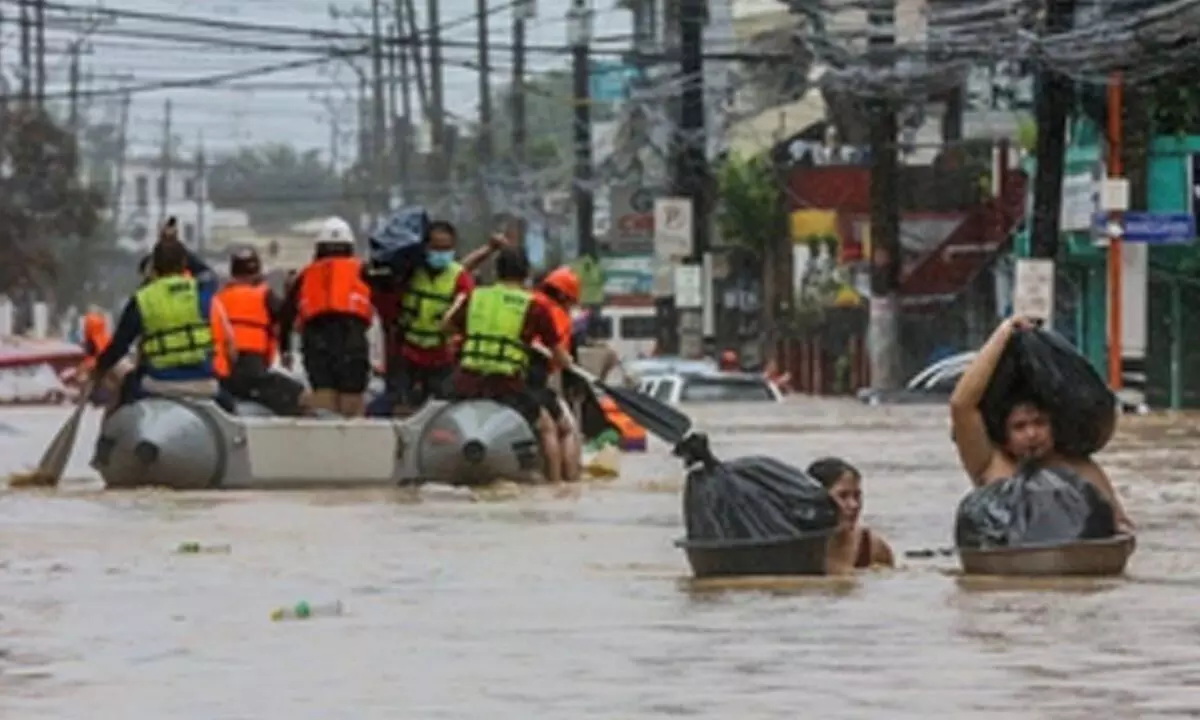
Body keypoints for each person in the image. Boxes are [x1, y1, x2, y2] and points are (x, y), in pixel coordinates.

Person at [949, 315, 1135, 533]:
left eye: (1040, 423)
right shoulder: (989, 462)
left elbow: (1121, 525)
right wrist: (1005, 332)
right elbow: (961, 405)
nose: (1032, 434)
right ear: (1003, 435)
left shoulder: (1080, 468)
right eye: (1019, 427)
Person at [443, 246, 573, 484]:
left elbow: (447, 327)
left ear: (496, 271)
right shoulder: (534, 306)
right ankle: (557, 486)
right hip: (505, 386)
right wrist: (567, 362)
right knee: (549, 427)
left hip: (465, 383)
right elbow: (559, 355)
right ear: (526, 274)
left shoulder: (476, 296)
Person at [372, 222, 511, 414]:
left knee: (442, 410)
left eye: (447, 249)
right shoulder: (411, 271)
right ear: (425, 247)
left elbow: (467, 308)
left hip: (440, 357)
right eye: (436, 248)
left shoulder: (458, 277)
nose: (441, 254)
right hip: (407, 354)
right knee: (400, 405)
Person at [91, 235, 236, 412]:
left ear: (154, 267)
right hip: (203, 381)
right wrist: (175, 240)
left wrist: (98, 370)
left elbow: (119, 346)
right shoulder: (200, 290)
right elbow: (206, 272)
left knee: (123, 394)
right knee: (231, 406)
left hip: (157, 382)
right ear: (184, 264)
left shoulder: (142, 298)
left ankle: (108, 439)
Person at [278, 216, 374, 417]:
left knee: (323, 399)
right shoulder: (363, 271)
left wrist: (284, 350)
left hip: (317, 339)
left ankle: (326, 437)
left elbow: (286, 315)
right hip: (352, 338)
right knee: (352, 400)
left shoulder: (305, 275)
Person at [213, 247, 308, 416]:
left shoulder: (218, 299)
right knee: (297, 393)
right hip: (252, 370)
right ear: (257, 272)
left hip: (222, 375)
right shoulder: (265, 296)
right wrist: (292, 292)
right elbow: (291, 320)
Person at [529, 266, 583, 483]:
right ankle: (562, 481)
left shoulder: (527, 300)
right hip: (533, 379)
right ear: (563, 295)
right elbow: (560, 359)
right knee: (564, 429)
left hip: (497, 373)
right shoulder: (558, 315)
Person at [807, 457, 895, 573]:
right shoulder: (793, 544)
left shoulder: (871, 547)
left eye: (857, 496)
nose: (854, 505)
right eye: (842, 496)